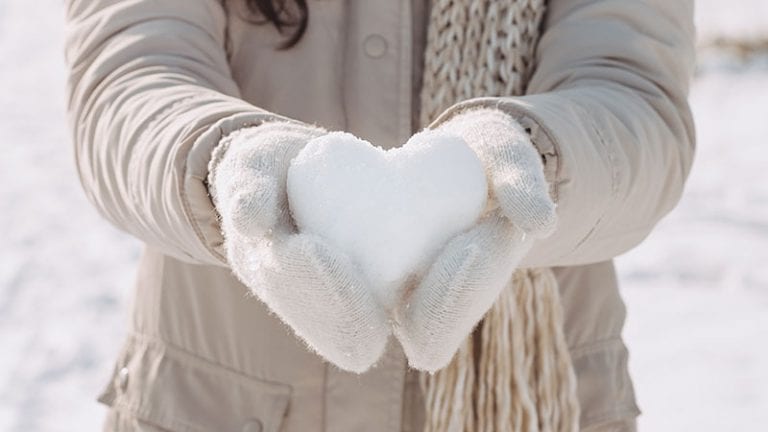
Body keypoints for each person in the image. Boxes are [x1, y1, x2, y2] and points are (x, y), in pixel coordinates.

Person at [64, 0, 695, 431]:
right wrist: (225, 162)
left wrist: (529, 152)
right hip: (222, 403)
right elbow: (127, 75)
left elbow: (635, 95)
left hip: (538, 399)